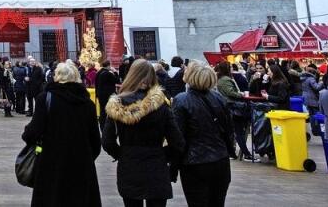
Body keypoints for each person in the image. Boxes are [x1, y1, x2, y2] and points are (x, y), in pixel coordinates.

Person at [102, 59, 185, 207]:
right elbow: (177, 141)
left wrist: (121, 153)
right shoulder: (161, 104)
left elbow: (107, 141)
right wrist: (164, 154)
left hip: (129, 164)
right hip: (156, 164)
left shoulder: (117, 104)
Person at [22, 62, 101, 206]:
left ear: (56, 77)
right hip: (81, 165)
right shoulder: (87, 104)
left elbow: (32, 133)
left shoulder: (45, 99)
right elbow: (95, 142)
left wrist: (27, 134)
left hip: (50, 163)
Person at [173, 61, 235, 206]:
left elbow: (178, 137)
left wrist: (173, 166)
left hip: (194, 162)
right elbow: (229, 129)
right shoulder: (219, 98)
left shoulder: (181, 100)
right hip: (220, 159)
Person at [215, 61, 252, 160]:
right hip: (233, 107)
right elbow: (231, 92)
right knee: (239, 131)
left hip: (228, 107)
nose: (232, 68)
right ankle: (246, 154)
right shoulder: (226, 79)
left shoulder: (221, 79)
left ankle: (233, 153)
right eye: (230, 66)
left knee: (234, 131)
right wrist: (242, 94)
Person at [300, 64, 322, 136]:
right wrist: (322, 83)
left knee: (311, 114)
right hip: (312, 98)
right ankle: (316, 130)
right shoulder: (311, 79)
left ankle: (314, 130)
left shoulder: (303, 78)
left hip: (305, 98)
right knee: (316, 114)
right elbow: (317, 87)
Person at [95, 60, 119, 126]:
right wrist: (115, 72)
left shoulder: (98, 72)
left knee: (102, 110)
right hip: (108, 95)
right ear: (108, 65)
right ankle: (108, 125)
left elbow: (96, 84)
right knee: (109, 111)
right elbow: (117, 80)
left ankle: (102, 124)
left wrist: (97, 94)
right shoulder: (108, 73)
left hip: (100, 95)